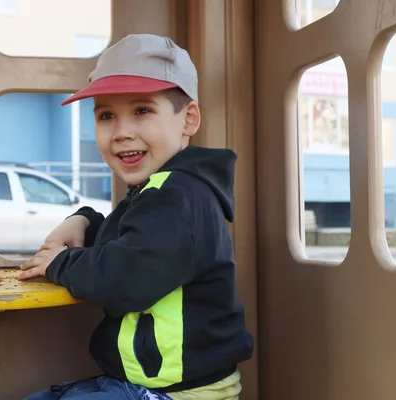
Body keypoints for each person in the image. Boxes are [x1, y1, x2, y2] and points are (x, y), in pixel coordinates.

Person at [18, 33, 253, 400]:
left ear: (188, 119)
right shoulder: (159, 190)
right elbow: (132, 242)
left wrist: (61, 263)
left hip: (182, 393)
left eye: (142, 111)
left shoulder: (180, 196)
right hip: (138, 385)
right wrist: (85, 221)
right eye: (106, 116)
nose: (122, 132)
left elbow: (127, 277)